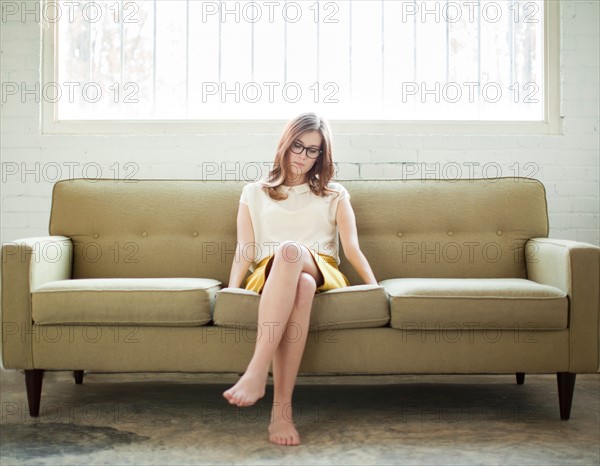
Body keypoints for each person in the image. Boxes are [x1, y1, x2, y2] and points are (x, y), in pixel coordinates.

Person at [222, 112, 378, 446]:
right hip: (268, 272)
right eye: (298, 146)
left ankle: (255, 373)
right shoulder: (253, 192)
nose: (304, 157)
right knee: (300, 283)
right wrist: (232, 290)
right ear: (285, 144)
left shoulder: (335, 194)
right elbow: (245, 248)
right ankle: (281, 412)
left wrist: (375, 288)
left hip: (321, 267)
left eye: (313, 151)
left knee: (292, 253)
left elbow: (351, 248)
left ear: (322, 155)